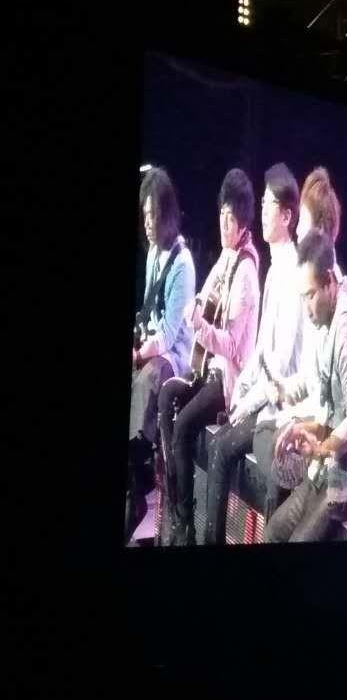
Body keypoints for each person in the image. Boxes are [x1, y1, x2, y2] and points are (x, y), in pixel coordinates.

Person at [198, 164, 306, 544]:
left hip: (282, 408)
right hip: (265, 398)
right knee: (219, 440)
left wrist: (248, 401)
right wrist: (242, 387)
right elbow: (261, 350)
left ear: (287, 216)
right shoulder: (275, 269)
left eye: (268, 204)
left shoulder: (292, 273)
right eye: (261, 203)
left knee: (222, 448)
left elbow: (280, 364)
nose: (261, 212)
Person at [156, 169, 261, 545]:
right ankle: (175, 505)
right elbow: (204, 295)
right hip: (207, 369)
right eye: (220, 215)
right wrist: (197, 304)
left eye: (229, 218)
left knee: (184, 424)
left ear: (243, 222)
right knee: (166, 396)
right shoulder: (227, 258)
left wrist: (199, 327)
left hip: (227, 380)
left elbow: (232, 347)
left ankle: (185, 525)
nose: (223, 224)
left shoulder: (246, 271)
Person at [264, 229, 347, 542]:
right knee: (272, 532)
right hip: (324, 469)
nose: (306, 308)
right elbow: (329, 410)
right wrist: (301, 427)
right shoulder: (326, 320)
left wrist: (319, 449)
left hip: (346, 482)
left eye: (310, 295)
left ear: (329, 283)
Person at [127, 168, 196, 543]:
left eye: (153, 215)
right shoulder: (153, 253)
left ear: (167, 214)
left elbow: (169, 334)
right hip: (153, 348)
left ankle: (138, 479)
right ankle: (134, 478)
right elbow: (149, 316)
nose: (148, 223)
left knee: (148, 378)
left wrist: (140, 353)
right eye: (144, 215)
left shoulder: (182, 263)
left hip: (175, 358)